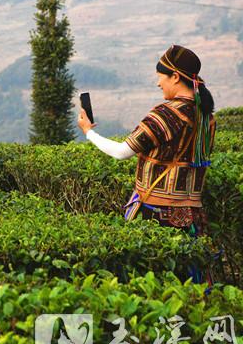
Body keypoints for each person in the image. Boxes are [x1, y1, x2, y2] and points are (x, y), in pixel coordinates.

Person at [77, 45, 216, 283]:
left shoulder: (166, 114)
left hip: (157, 215)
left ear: (175, 76)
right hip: (191, 214)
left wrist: (88, 132)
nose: (158, 83)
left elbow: (122, 152)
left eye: (161, 77)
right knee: (189, 285)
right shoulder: (206, 116)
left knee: (152, 283)